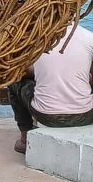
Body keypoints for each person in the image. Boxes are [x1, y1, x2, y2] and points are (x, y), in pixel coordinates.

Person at [9, 20, 93, 154]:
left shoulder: (37, 38)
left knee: (14, 82)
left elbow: (23, 71)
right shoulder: (89, 37)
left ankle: (25, 140)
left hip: (47, 116)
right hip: (86, 115)